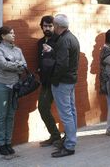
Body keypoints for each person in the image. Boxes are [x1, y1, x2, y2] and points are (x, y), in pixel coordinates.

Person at [0, 26, 26, 155]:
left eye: (14, 33)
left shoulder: (18, 50)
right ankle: (1, 144)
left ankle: (8, 142)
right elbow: (3, 65)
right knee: (2, 115)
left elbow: (25, 66)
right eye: (11, 33)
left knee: (11, 115)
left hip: (15, 86)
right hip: (1, 86)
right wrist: (18, 64)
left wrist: (15, 65)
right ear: (2, 36)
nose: (14, 35)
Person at [50, 14, 80, 158]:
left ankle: (69, 145)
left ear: (57, 26)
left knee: (66, 114)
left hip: (63, 82)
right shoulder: (72, 38)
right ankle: (70, 139)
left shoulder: (64, 40)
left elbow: (62, 64)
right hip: (70, 80)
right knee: (71, 112)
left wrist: (53, 79)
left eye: (53, 25)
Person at [37, 15, 62, 147]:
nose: (47, 28)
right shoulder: (40, 42)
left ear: (54, 26)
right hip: (45, 82)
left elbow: (61, 60)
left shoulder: (59, 41)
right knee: (42, 107)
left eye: (50, 26)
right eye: (45, 26)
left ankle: (63, 138)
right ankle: (55, 135)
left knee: (65, 109)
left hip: (57, 81)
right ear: (41, 27)